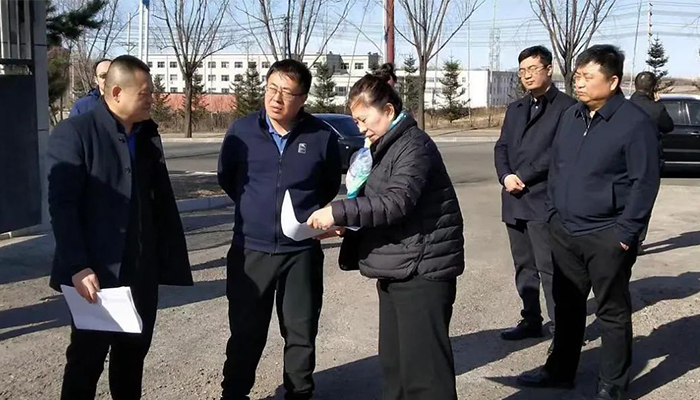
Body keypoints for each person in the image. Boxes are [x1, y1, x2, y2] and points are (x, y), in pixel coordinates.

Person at [307, 63, 465, 400]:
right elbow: (376, 205)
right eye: (356, 122)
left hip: (422, 270)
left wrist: (337, 210)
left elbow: (396, 202)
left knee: (425, 376)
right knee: (396, 368)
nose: (361, 128)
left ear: (389, 111)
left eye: (365, 119)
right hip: (397, 266)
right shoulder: (382, 148)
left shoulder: (413, 145)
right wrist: (344, 226)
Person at [517, 45, 660, 400]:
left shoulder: (633, 123)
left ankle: (612, 384)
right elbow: (557, 167)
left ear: (612, 82)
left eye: (587, 77)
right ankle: (559, 371)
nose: (578, 83)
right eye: (577, 76)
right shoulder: (572, 116)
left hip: (606, 235)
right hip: (565, 231)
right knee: (567, 307)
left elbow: (644, 182)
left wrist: (625, 234)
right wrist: (553, 214)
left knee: (611, 312)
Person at [48, 55, 193, 400]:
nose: (152, 99)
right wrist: (78, 265)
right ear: (116, 93)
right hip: (95, 274)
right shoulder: (76, 133)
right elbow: (63, 208)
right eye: (145, 94)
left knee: (132, 359)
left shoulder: (145, 134)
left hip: (140, 270)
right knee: (86, 361)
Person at [217, 59, 341, 400]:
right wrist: (257, 213)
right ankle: (234, 394)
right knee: (245, 332)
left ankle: (299, 393)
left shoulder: (321, 137)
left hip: (300, 252)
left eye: (287, 92)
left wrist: (302, 216)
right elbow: (228, 178)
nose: (276, 98)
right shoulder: (241, 132)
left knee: (301, 331)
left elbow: (328, 185)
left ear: (302, 98)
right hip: (250, 250)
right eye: (272, 88)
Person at [494, 45, 576, 346]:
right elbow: (501, 147)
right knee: (523, 265)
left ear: (548, 69)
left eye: (532, 69)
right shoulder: (516, 108)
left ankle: (562, 329)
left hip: (544, 200)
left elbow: (560, 152)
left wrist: (524, 176)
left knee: (549, 267)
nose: (527, 76)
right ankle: (531, 319)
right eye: (522, 71)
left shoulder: (567, 108)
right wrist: (505, 175)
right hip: (513, 198)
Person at [629, 71, 674, 251]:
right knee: (644, 201)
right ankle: (637, 241)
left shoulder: (624, 105)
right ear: (653, 88)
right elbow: (668, 126)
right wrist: (658, 103)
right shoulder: (656, 109)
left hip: (625, 160)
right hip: (650, 162)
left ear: (635, 86)